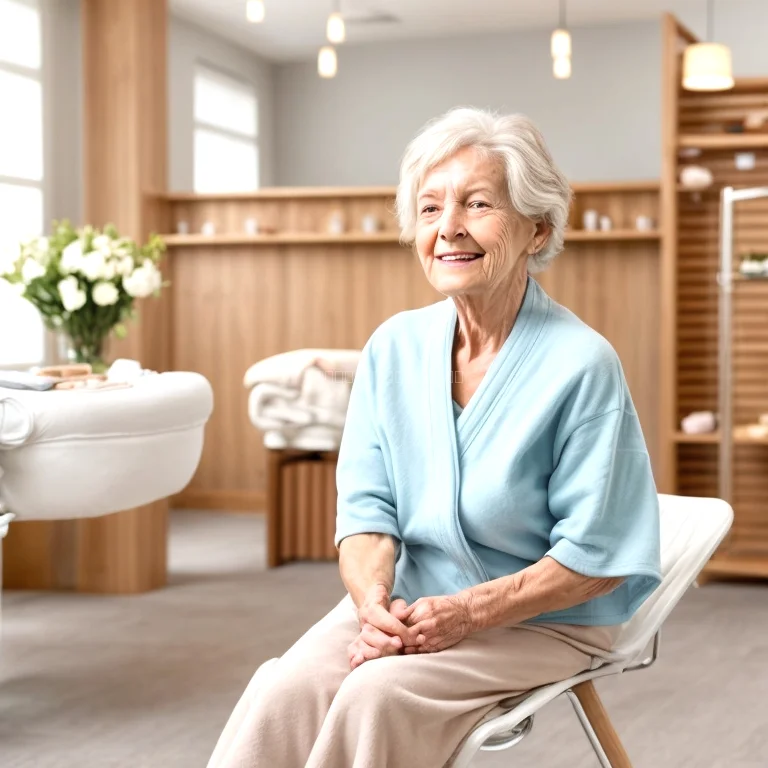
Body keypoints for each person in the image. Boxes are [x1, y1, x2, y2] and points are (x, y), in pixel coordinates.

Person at [207, 106, 661, 768]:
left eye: (477, 204)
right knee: (285, 690)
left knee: (376, 695)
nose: (448, 227)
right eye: (428, 209)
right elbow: (365, 511)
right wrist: (373, 606)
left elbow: (597, 555)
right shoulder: (392, 347)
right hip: (410, 602)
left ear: (537, 229)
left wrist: (468, 612)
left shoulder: (582, 364)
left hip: (541, 619)